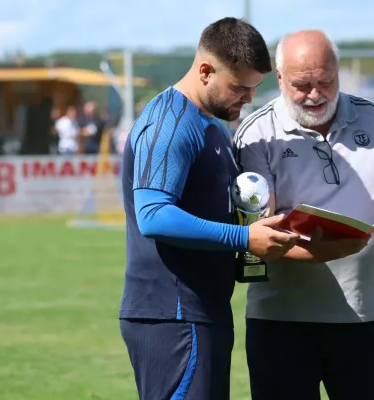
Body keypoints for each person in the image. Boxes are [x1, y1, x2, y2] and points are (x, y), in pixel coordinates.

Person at [233, 30, 374, 400]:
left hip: (368, 317)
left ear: (338, 73)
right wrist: (322, 251)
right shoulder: (257, 133)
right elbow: (255, 236)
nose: (315, 94)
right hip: (281, 323)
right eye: (302, 85)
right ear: (280, 78)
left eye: (326, 81)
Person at [119, 17, 299, 400]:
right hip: (172, 315)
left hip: (200, 313)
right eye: (239, 87)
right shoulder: (170, 122)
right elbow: (153, 214)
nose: (248, 98)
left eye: (254, 88)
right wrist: (244, 236)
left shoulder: (211, 125)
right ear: (205, 71)